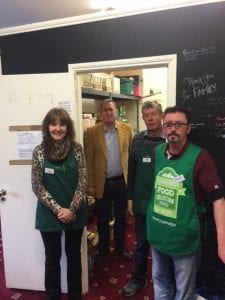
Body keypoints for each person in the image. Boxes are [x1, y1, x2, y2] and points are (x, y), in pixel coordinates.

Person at [146, 105, 225, 300]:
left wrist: (222, 243)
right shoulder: (156, 152)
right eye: (169, 124)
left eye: (179, 125)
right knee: (161, 284)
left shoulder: (201, 158)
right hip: (158, 234)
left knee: (184, 292)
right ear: (164, 128)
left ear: (188, 128)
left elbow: (218, 200)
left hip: (185, 239)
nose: (173, 129)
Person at [31, 108, 87, 300]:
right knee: (52, 260)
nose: (58, 128)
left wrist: (71, 209)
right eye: (53, 124)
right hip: (48, 213)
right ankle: (53, 296)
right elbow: (36, 185)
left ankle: (75, 296)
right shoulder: (39, 151)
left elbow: (83, 182)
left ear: (67, 126)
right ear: (48, 127)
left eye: (62, 124)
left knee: (73, 258)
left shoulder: (77, 149)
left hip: (75, 211)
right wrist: (58, 209)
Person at [122, 100, 165, 297]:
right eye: (146, 115)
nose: (150, 118)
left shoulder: (168, 140)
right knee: (140, 245)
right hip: (140, 201)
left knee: (162, 244)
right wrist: (129, 198)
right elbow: (131, 171)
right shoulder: (137, 140)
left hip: (163, 202)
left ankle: (163, 281)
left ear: (161, 115)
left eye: (153, 114)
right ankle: (138, 279)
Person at [84, 98, 133, 264]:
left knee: (121, 217)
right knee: (102, 219)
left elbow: (131, 157)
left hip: (121, 182)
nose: (108, 113)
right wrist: (89, 184)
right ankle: (103, 250)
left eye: (111, 109)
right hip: (101, 183)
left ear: (116, 111)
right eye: (105, 110)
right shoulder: (91, 133)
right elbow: (88, 160)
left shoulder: (127, 129)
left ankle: (121, 248)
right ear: (100, 113)